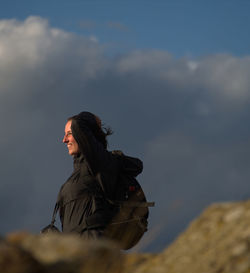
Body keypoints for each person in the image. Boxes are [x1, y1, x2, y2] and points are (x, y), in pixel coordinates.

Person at [54, 111, 121, 239]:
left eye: (69, 133)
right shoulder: (81, 170)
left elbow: (80, 124)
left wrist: (93, 121)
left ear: (84, 134)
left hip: (94, 246)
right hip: (76, 250)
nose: (64, 140)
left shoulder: (98, 162)